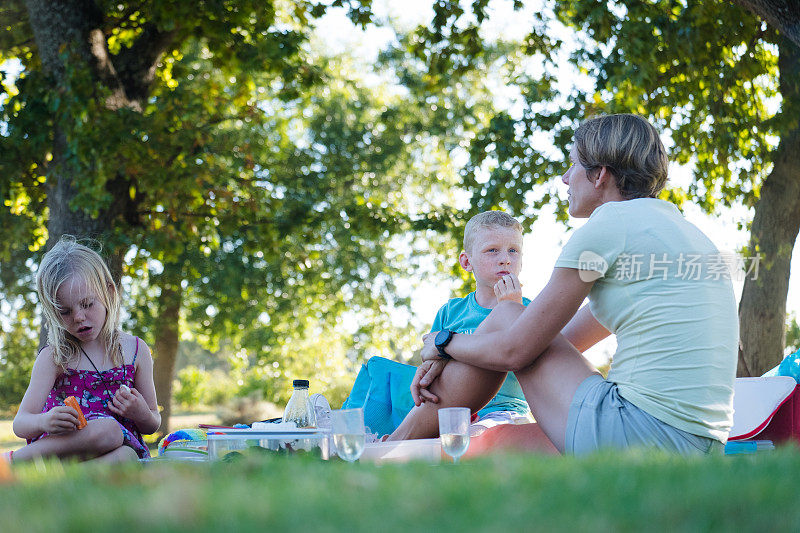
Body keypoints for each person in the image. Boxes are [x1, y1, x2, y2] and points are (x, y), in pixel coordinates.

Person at [392, 114, 738, 455]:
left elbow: (516, 347)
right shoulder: (679, 231)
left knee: (508, 314)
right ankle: (396, 444)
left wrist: (441, 341)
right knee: (512, 325)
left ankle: (390, 448)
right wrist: (451, 353)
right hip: (700, 444)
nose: (564, 178)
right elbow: (552, 339)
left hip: (639, 434)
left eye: (572, 164)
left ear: (600, 175)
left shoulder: (609, 225)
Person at [342, 211, 534, 437]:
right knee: (383, 374)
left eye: (513, 250)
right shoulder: (451, 311)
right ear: (466, 261)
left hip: (502, 411)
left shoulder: (530, 309)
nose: (505, 259)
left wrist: (511, 308)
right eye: (492, 250)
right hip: (450, 410)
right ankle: (353, 431)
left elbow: (522, 357)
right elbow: (430, 356)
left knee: (475, 438)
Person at [6, 237, 160, 463]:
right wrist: (44, 421)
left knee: (128, 456)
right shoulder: (56, 356)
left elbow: (153, 423)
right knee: (109, 430)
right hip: (67, 451)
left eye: (87, 304)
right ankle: (12, 463)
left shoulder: (136, 350)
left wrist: (141, 413)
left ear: (109, 293)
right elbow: (21, 423)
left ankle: (60, 482)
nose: (78, 317)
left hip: (113, 457)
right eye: (65, 312)